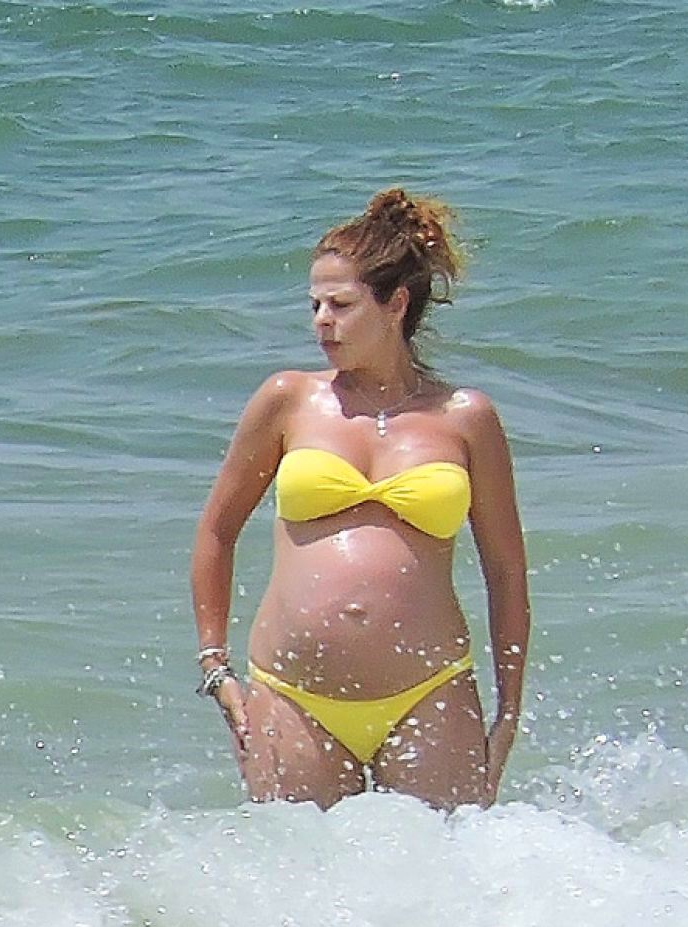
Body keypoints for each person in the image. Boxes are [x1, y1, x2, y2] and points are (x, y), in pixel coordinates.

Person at [190, 188, 529, 811]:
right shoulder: (287, 400)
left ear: (395, 303)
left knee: (446, 865)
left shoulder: (465, 418)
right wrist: (217, 668)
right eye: (315, 304)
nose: (321, 320)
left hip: (430, 693)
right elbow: (216, 531)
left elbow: (505, 570)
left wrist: (509, 710)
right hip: (292, 695)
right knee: (299, 868)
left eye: (341, 305)